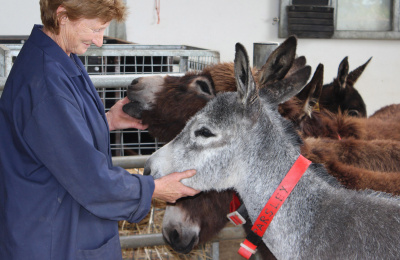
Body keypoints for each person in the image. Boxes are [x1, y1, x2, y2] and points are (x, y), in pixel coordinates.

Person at [0, 1, 199, 259]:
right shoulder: (46, 84)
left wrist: (106, 121)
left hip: (61, 223)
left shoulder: (60, 58)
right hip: (53, 239)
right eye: (95, 29)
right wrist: (153, 190)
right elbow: (92, 182)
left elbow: (55, 141)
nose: (99, 41)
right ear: (62, 16)